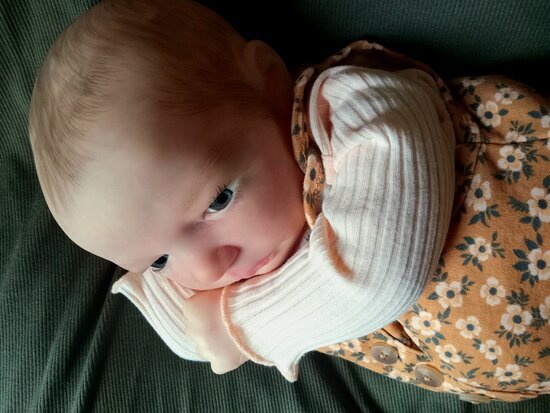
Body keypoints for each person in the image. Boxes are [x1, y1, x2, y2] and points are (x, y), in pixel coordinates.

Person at [29, 0, 549, 401]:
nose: (211, 268)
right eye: (159, 260)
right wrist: (203, 314)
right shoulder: (234, 266)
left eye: (218, 200)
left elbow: (379, 271)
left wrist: (239, 325)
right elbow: (194, 334)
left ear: (268, 80)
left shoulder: (350, 108)